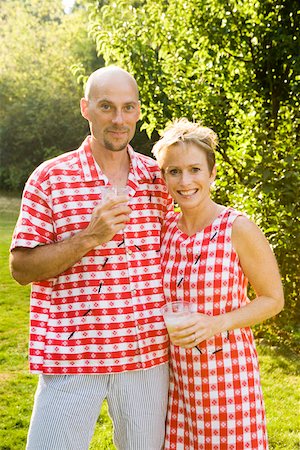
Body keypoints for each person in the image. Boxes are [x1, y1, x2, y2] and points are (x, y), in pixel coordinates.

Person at [9, 66, 173, 450]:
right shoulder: (50, 177)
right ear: (86, 108)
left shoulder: (157, 178)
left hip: (145, 355)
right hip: (73, 355)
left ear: (137, 112)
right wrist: (89, 237)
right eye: (106, 107)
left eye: (128, 108)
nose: (118, 119)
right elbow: (20, 269)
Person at [152, 118, 284, 450]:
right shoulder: (164, 228)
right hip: (175, 383)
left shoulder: (237, 228)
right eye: (174, 171)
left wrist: (217, 323)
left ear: (212, 173)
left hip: (226, 379)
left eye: (195, 169)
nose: (185, 181)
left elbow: (272, 299)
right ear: (164, 177)